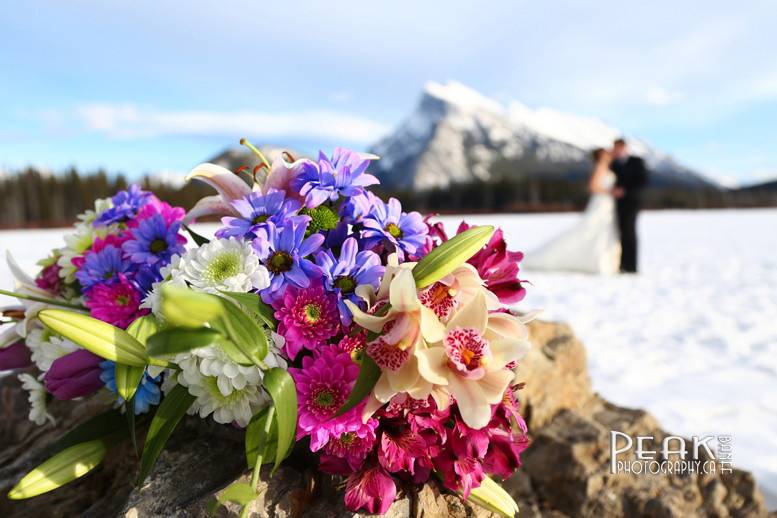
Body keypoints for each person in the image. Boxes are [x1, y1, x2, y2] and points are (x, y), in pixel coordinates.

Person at [523, 148, 621, 274]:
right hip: (601, 203)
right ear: (601, 157)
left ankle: (602, 261)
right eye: (605, 155)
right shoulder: (600, 168)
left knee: (601, 231)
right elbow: (593, 187)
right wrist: (610, 192)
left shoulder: (606, 168)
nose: (608, 156)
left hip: (607, 204)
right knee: (589, 229)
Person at [610, 138, 648, 273]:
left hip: (632, 203)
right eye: (616, 148)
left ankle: (631, 266)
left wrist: (625, 190)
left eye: (619, 148)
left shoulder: (636, 161)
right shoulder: (612, 164)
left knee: (629, 232)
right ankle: (622, 264)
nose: (617, 150)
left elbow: (642, 181)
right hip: (616, 204)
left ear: (625, 148)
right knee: (620, 233)